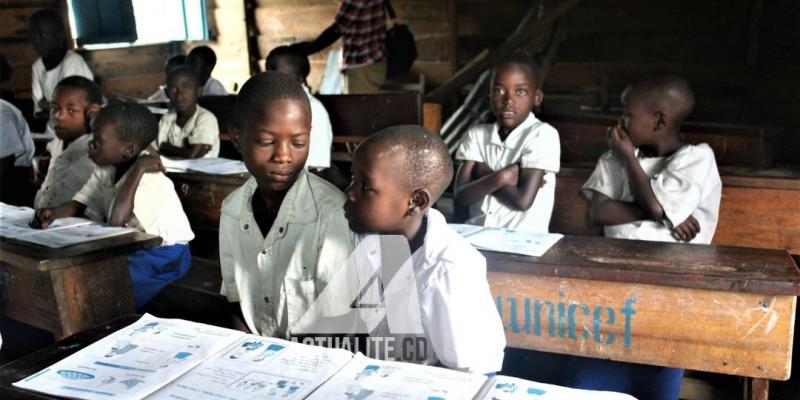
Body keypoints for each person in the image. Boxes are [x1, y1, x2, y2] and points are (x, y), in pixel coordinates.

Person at [575, 74, 721, 399]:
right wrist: (665, 215)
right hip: (615, 287)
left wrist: (633, 168)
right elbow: (599, 212)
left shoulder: (697, 158)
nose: (619, 121)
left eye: (627, 112)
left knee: (657, 378)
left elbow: (652, 205)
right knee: (593, 379)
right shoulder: (615, 156)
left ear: (659, 120)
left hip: (672, 293)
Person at [343, 125, 506, 374]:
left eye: (365, 186)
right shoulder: (369, 240)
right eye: (352, 178)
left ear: (416, 202)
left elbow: (473, 372)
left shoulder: (449, 269)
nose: (349, 192)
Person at [219, 71, 353, 338]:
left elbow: (342, 319)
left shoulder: (331, 214)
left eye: (298, 143)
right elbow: (234, 300)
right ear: (236, 138)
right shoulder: (232, 210)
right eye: (267, 142)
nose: (283, 156)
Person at [34, 102, 195, 309]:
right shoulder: (106, 168)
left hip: (165, 255)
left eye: (98, 140)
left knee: (106, 288)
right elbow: (81, 202)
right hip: (129, 247)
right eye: (92, 137)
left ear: (128, 150)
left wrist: (138, 168)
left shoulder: (150, 178)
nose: (90, 144)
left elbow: (117, 221)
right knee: (83, 275)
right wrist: (54, 212)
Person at [454, 52, 560, 233]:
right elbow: (460, 197)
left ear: (537, 97)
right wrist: (502, 177)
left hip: (521, 242)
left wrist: (483, 175)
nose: (508, 100)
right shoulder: (477, 134)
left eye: (520, 91)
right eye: (499, 91)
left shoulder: (543, 135)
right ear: (489, 95)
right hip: (474, 235)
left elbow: (522, 201)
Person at [34, 76, 102, 208]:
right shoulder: (59, 141)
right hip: (44, 217)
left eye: (71, 110)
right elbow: (51, 150)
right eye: (54, 107)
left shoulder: (98, 149)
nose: (58, 116)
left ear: (91, 112)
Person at [266, 46, 333, 172]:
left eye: (280, 76)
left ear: (300, 78)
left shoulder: (314, 110)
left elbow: (316, 166)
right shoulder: (269, 105)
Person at [301, 0, 387, 94]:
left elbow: (337, 29)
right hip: (368, 62)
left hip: (364, 65)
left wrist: (306, 50)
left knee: (362, 105)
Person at [29, 8, 93, 122]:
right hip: (53, 132)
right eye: (33, 35)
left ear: (59, 35)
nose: (36, 40)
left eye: (43, 35)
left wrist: (50, 106)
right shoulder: (37, 67)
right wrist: (55, 107)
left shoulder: (73, 62)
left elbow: (72, 112)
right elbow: (39, 111)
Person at [155, 66, 219, 158]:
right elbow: (156, 149)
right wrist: (186, 151)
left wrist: (164, 146)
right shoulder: (167, 117)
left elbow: (192, 155)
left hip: (202, 171)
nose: (180, 95)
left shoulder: (206, 118)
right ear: (166, 93)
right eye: (173, 89)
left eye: (186, 87)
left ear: (198, 91)